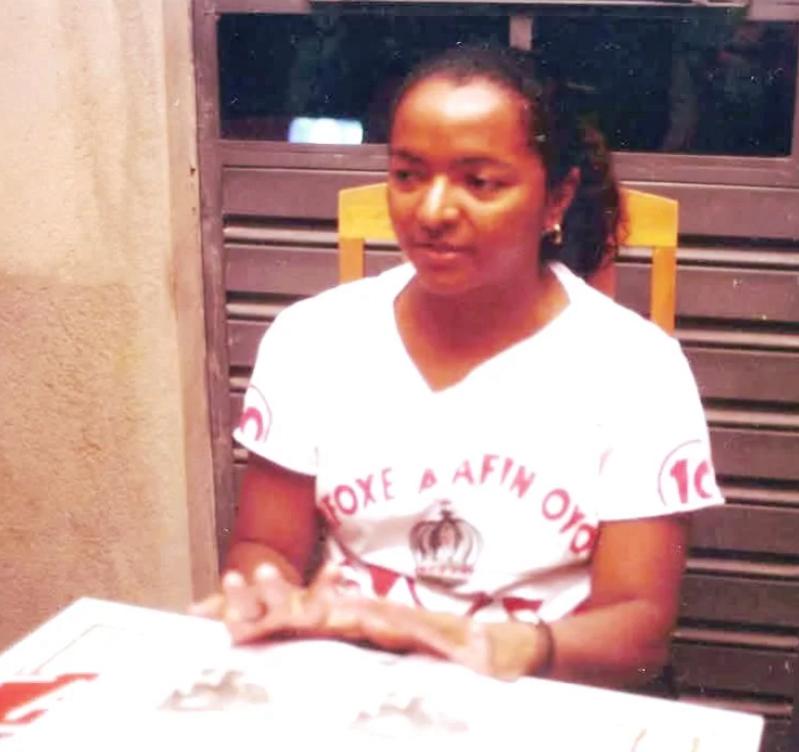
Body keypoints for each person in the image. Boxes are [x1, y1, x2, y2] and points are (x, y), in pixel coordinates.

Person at [193, 44, 723, 689]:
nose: (433, 212)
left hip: (536, 687)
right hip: (355, 677)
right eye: (408, 175)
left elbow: (638, 631)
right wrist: (267, 594)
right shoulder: (313, 338)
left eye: (480, 183)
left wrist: (488, 645)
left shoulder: (638, 369)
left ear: (556, 198)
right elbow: (267, 547)